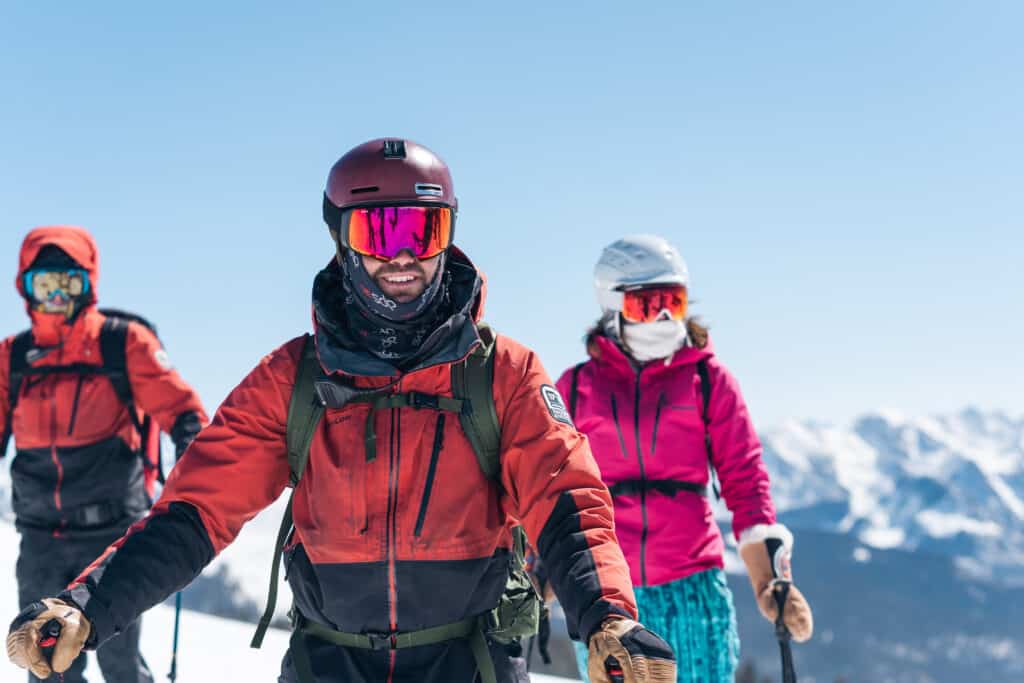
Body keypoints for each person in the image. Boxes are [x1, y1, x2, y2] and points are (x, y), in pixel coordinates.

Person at [7, 141, 677, 683]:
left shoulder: (502, 373)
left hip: (468, 660)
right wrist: (85, 607)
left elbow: (567, 500)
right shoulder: (292, 379)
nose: (403, 254)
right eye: (378, 229)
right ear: (340, 238)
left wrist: (607, 616)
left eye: (423, 227)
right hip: (329, 661)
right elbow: (195, 509)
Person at [555, 235, 813, 683]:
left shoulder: (707, 379)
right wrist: (542, 565)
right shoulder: (577, 387)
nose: (662, 317)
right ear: (613, 305)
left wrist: (767, 571)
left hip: (692, 584)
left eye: (673, 302)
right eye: (646, 304)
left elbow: (744, 475)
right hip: (609, 593)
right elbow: (550, 481)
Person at [1, 226, 208, 682]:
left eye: (67, 284)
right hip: (40, 540)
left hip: (112, 539)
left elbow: (183, 411)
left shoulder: (123, 343)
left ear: (87, 285)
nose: (56, 297)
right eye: (44, 284)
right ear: (25, 287)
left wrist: (194, 471)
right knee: (46, 664)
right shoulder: (12, 358)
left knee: (119, 663)